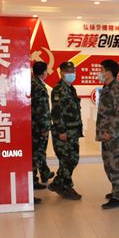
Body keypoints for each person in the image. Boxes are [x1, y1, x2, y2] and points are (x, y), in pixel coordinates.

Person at [49, 61, 83, 200]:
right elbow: (56, 112)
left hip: (73, 131)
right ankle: (65, 187)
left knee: (72, 159)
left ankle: (58, 183)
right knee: (68, 160)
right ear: (61, 73)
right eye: (68, 71)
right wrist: (61, 130)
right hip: (64, 132)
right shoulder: (58, 89)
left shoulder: (71, 89)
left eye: (73, 71)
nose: (71, 74)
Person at [97, 59, 119, 209]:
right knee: (109, 164)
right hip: (107, 135)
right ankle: (118, 189)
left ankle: (118, 197)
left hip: (115, 136)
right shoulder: (107, 87)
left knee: (116, 166)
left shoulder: (117, 89)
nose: (99, 72)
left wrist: (110, 132)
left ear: (109, 72)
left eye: (102, 69)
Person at [31, 61, 53, 204]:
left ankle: (35, 179)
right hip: (38, 127)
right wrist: (45, 127)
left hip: (33, 125)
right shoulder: (38, 86)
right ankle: (34, 180)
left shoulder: (32, 82)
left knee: (35, 153)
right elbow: (42, 109)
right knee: (37, 153)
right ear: (43, 72)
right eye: (46, 70)